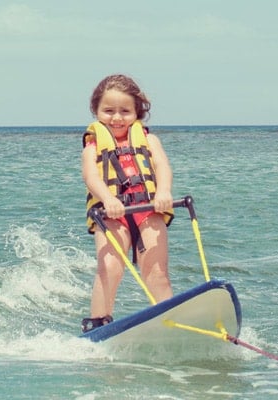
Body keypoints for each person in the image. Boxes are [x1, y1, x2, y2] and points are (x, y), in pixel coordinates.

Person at [80, 74, 175, 333]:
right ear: (97, 111)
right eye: (108, 111)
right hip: (111, 214)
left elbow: (162, 166)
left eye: (125, 111)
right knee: (109, 268)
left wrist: (164, 191)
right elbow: (91, 176)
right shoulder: (93, 145)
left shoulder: (149, 140)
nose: (117, 118)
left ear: (137, 113)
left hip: (148, 210)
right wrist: (108, 199)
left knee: (156, 273)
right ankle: (98, 324)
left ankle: (170, 322)